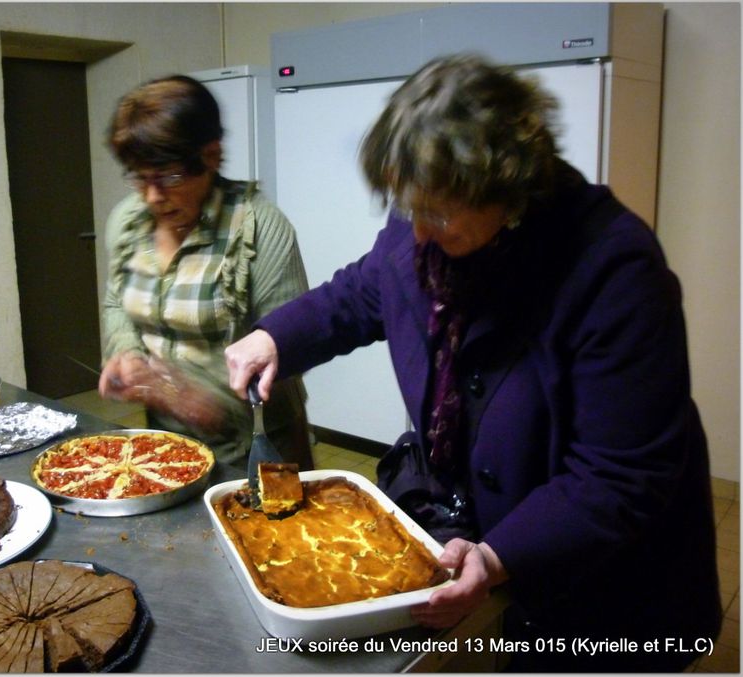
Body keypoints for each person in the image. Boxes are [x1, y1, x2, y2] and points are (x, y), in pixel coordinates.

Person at [224, 54, 720, 671]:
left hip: (607, 581)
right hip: (486, 525)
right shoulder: (424, 220)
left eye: (436, 214)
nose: (418, 233)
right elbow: (362, 291)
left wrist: (499, 554)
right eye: (410, 209)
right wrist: (276, 337)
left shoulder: (615, 272)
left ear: (511, 193)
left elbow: (619, 475)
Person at [100, 74, 313, 467]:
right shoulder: (128, 223)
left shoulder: (259, 228)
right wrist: (126, 352)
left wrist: (203, 395)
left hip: (259, 446)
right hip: (167, 442)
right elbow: (117, 300)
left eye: (169, 178)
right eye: (140, 178)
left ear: (211, 156)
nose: (152, 197)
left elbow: (290, 345)